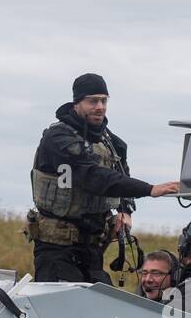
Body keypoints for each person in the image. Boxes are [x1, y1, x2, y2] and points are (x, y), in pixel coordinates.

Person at [27, 73, 179, 283]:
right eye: (92, 101)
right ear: (77, 102)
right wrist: (150, 189)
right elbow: (93, 176)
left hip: (93, 248)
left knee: (100, 305)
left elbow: (121, 173)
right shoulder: (58, 139)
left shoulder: (110, 141)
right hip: (56, 248)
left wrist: (125, 211)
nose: (100, 106)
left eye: (104, 100)